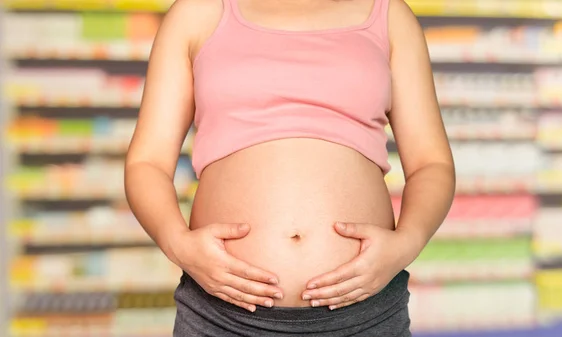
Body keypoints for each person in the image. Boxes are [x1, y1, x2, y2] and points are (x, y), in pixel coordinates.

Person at [124, 0, 455, 335]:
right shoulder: (198, 11)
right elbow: (147, 163)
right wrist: (178, 243)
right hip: (222, 316)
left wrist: (407, 243)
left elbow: (431, 163)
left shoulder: (389, 15)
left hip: (364, 314)